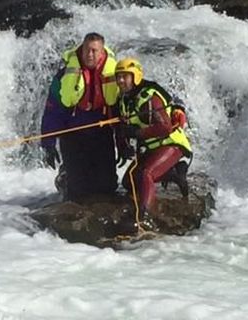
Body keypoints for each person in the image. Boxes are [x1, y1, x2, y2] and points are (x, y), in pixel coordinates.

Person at [114, 57, 192, 227]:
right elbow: (121, 126)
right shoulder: (123, 100)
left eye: (125, 76)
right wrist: (122, 146)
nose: (120, 80)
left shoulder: (149, 97)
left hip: (170, 144)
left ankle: (144, 218)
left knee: (145, 174)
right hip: (151, 148)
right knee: (129, 183)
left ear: (135, 76)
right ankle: (173, 173)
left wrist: (137, 133)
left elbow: (164, 127)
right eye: (118, 76)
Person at [40, 32, 119, 200]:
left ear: (102, 52)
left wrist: (123, 142)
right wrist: (48, 143)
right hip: (72, 134)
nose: (89, 55)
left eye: (94, 51)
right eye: (86, 50)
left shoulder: (115, 74)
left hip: (101, 133)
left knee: (107, 186)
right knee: (78, 191)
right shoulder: (65, 76)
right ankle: (65, 175)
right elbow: (53, 109)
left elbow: (125, 106)